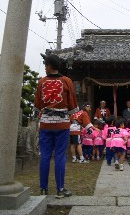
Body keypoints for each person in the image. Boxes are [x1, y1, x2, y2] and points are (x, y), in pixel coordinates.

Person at [34, 54, 79, 198]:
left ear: (50, 66)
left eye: (46, 65)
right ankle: (60, 189)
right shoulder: (66, 81)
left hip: (46, 123)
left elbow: (37, 104)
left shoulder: (41, 82)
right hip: (62, 124)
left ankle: (43, 188)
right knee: (60, 155)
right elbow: (72, 103)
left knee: (45, 155)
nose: (45, 67)